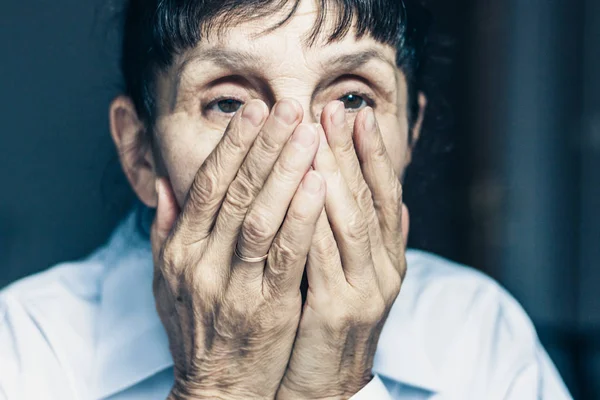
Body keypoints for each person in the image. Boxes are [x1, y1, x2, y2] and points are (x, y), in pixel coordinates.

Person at [0, 0, 573, 398]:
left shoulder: (478, 332)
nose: (296, 157)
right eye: (227, 103)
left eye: (352, 98)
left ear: (409, 137)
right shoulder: (26, 347)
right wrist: (220, 388)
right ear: (140, 151)